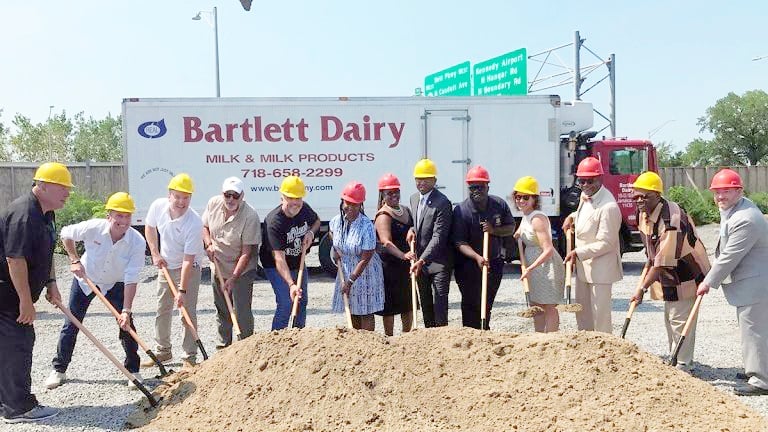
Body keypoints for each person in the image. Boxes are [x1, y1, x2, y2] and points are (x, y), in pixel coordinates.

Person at [45, 192, 147, 389]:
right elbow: (66, 233)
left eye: (127, 216)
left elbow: (132, 277)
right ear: (109, 215)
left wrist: (126, 311)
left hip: (114, 283)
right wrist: (74, 259)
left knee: (126, 325)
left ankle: (133, 370)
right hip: (86, 280)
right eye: (119, 215)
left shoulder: (137, 241)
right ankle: (59, 369)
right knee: (72, 323)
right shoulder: (93, 227)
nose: (123, 221)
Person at [0, 162, 71, 423]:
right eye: (62, 188)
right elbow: (14, 260)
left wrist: (51, 282)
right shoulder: (24, 214)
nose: (67, 194)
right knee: (17, 346)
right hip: (6, 296)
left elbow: (48, 250)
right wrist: (24, 301)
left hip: (17, 295)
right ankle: (18, 409)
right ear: (42, 186)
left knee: (12, 346)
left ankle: (7, 401)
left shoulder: (46, 213)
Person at [697, 169, 768, 396]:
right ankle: (754, 368)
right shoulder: (734, 208)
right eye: (717, 193)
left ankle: (761, 380)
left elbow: (729, 256)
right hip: (750, 282)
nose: (720, 197)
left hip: (755, 284)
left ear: (739, 191)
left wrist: (708, 282)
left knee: (753, 330)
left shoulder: (746, 218)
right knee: (753, 329)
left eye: (726, 192)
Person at [629, 172, 710, 371]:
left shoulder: (670, 220)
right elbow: (654, 253)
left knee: (679, 318)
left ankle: (683, 364)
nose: (639, 200)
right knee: (670, 316)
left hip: (687, 271)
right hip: (668, 269)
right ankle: (675, 357)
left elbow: (663, 262)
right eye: (636, 196)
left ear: (657, 195)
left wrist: (642, 289)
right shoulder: (644, 212)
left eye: (645, 196)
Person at [141, 173, 205, 368]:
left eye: (186, 197)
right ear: (170, 195)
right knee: (163, 308)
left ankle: (190, 356)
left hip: (189, 269)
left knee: (186, 311)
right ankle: (163, 351)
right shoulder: (158, 206)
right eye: (177, 196)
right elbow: (150, 228)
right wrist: (155, 253)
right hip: (166, 265)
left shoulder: (194, 223)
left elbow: (188, 260)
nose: (181, 201)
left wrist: (182, 291)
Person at [562, 157, 623, 333]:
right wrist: (572, 217)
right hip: (584, 268)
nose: (586, 184)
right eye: (582, 181)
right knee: (583, 313)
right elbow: (584, 213)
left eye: (591, 180)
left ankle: (604, 353)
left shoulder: (609, 207)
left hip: (601, 270)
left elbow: (607, 243)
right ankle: (586, 350)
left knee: (600, 316)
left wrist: (578, 253)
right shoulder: (585, 196)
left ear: (601, 178)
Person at [451, 166, 515, 330]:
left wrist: (494, 230)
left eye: (480, 186)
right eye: (473, 187)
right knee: (470, 303)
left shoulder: (499, 204)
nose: (476, 190)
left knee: (486, 303)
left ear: (488, 186)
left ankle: (484, 332)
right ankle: (470, 334)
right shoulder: (461, 210)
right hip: (468, 265)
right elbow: (459, 242)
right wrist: (477, 257)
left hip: (493, 263)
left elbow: (510, 227)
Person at [202, 177, 261, 347]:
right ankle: (223, 348)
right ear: (222, 194)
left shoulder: (250, 216)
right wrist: (208, 244)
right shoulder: (213, 204)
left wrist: (233, 279)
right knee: (222, 309)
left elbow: (246, 253)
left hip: (241, 271)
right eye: (227, 195)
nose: (231, 200)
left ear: (242, 196)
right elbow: (204, 227)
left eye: (235, 196)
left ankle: (245, 347)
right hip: (218, 266)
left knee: (241, 311)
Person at [259, 176, 320, 330]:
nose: (295, 202)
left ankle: (298, 339)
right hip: (275, 265)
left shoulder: (304, 208)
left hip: (297, 261)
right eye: (290, 198)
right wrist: (291, 284)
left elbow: (317, 220)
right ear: (282, 198)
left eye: (298, 198)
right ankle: (277, 343)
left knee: (301, 301)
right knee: (287, 302)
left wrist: (311, 234)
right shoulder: (274, 222)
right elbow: (279, 259)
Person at [512, 176, 565, 333]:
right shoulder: (526, 216)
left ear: (534, 199)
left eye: (525, 197)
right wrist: (519, 234)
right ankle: (539, 338)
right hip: (533, 265)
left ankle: (551, 339)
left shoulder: (537, 219)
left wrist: (530, 268)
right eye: (518, 197)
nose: (521, 201)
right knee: (536, 305)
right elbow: (525, 233)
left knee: (549, 306)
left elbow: (548, 249)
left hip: (546, 265)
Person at [330, 182, 385, 330]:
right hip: (346, 269)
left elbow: (366, 257)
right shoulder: (336, 222)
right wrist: (336, 250)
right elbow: (332, 234)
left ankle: (368, 343)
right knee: (352, 310)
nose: (351, 208)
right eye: (348, 204)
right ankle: (355, 343)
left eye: (356, 205)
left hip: (365, 273)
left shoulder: (366, 225)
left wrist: (350, 281)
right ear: (342, 202)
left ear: (361, 205)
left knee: (365, 311)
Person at [407, 159, 453, 328]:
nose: (421, 182)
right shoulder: (413, 199)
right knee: (425, 304)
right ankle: (428, 341)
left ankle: (442, 340)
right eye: (418, 178)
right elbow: (418, 223)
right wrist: (411, 229)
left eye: (426, 179)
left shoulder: (442, 202)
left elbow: (439, 236)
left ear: (434, 180)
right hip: (421, 264)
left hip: (439, 262)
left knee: (440, 304)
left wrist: (422, 260)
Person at [374, 173, 416, 336]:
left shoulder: (405, 209)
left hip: (407, 264)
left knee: (408, 303)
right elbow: (386, 242)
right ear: (382, 195)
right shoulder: (383, 215)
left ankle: (407, 335)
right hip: (390, 266)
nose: (394, 195)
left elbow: (413, 226)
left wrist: (412, 230)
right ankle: (389, 337)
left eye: (396, 191)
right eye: (389, 193)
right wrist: (403, 255)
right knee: (390, 306)